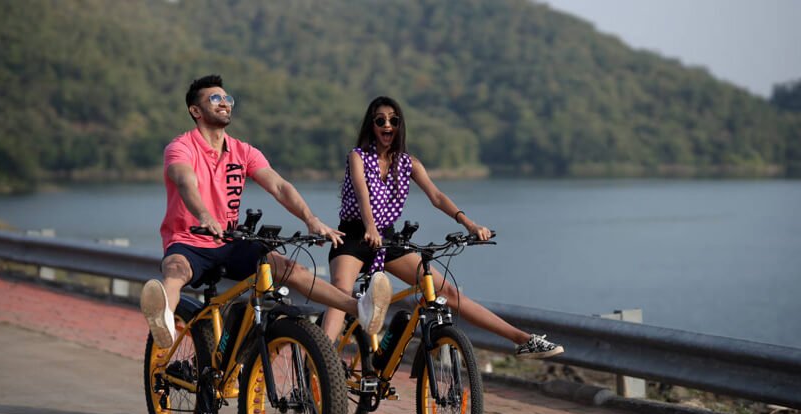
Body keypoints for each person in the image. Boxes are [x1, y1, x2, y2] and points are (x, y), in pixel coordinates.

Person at [140, 75, 391, 353]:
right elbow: (185, 180)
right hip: (189, 240)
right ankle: (163, 319)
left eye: (227, 99)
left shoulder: (242, 151)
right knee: (175, 269)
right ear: (195, 111)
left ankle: (360, 308)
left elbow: (280, 186)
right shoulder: (181, 147)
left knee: (291, 268)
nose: (224, 103)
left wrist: (310, 219)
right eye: (215, 99)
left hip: (229, 242)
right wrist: (203, 214)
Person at [321, 96, 563, 359]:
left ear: (400, 126)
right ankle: (320, 365)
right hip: (355, 238)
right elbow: (362, 193)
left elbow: (437, 197)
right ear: (372, 126)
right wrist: (370, 227)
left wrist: (470, 224)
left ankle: (523, 340)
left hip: (388, 241)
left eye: (393, 120)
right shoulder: (357, 157)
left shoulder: (408, 163)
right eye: (381, 120)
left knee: (447, 291)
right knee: (341, 293)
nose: (387, 125)